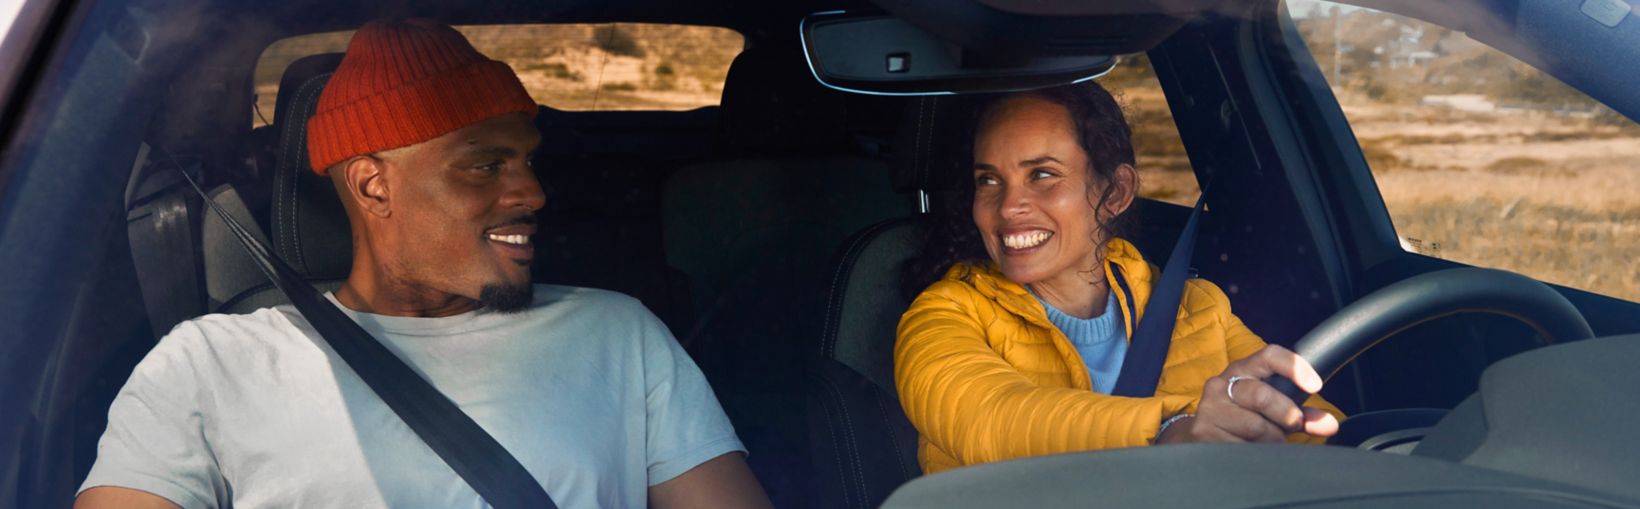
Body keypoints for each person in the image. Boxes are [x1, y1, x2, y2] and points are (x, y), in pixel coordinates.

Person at [76, 19, 770, 509]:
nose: (533, 191)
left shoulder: (621, 334)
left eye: (526, 160)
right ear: (374, 185)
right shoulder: (209, 362)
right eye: (484, 164)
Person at [895, 82, 1345, 475]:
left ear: (1115, 192)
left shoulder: (1197, 308)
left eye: (1043, 175)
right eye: (989, 181)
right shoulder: (942, 316)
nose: (1009, 206)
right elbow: (990, 419)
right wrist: (1173, 432)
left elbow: (1314, 436)